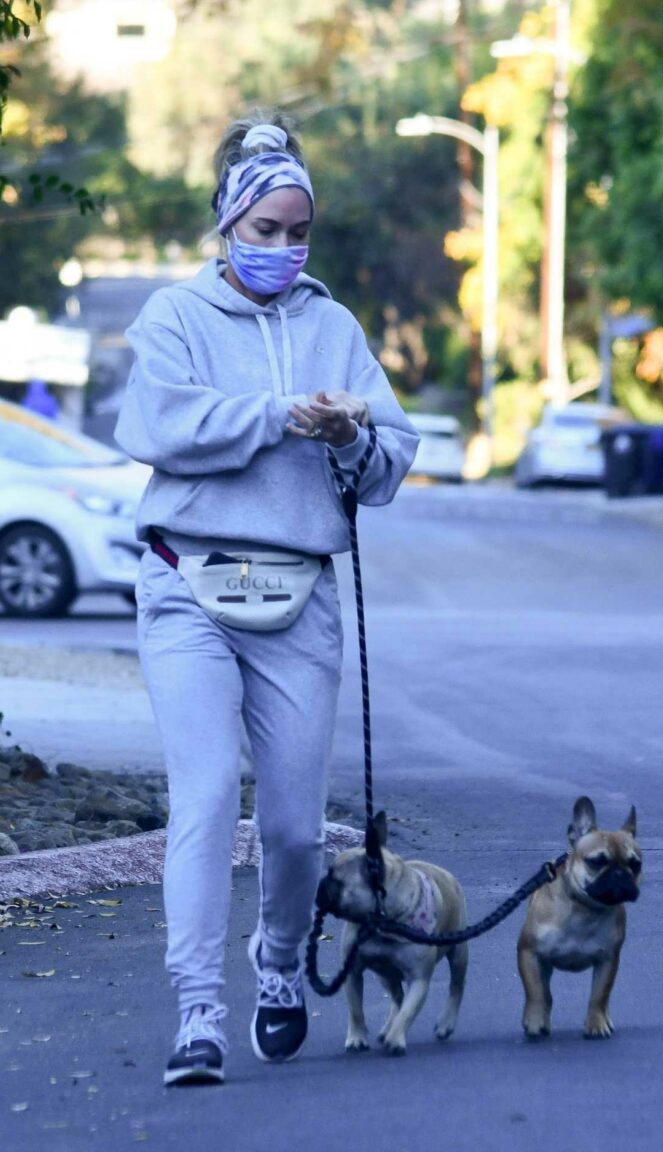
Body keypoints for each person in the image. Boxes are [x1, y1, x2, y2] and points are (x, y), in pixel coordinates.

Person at [114, 109, 419, 1086]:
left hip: (301, 594)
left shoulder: (335, 326)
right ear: (227, 224)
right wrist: (274, 416)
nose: (283, 250)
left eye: (299, 234)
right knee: (204, 794)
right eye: (265, 232)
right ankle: (198, 1009)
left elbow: (390, 459)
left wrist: (348, 439)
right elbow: (155, 425)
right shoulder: (173, 318)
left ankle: (279, 962)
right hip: (185, 584)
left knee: (292, 826)